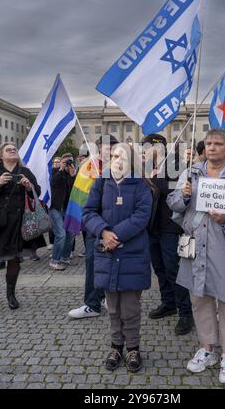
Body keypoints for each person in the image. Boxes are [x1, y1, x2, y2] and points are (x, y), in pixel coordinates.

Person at [167, 129, 225, 384]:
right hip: (195, 248)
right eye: (208, 143)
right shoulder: (190, 173)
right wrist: (184, 196)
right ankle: (207, 348)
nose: (211, 147)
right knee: (200, 300)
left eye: (218, 144)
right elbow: (173, 204)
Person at [83, 143, 152, 372]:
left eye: (122, 156)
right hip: (107, 254)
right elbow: (89, 212)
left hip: (132, 254)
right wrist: (103, 231)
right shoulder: (101, 183)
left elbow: (142, 216)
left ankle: (133, 348)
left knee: (130, 308)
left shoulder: (141, 185)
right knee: (112, 308)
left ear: (131, 160)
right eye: (113, 155)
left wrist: (117, 235)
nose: (116, 160)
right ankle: (116, 346)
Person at [142, 134, 193, 335]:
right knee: (160, 269)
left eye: (146, 148)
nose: (144, 152)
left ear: (158, 147)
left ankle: (185, 312)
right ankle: (168, 303)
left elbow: (174, 192)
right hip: (153, 226)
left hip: (171, 226)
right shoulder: (148, 167)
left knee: (174, 270)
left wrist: (153, 177)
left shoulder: (177, 165)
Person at [0, 142, 41, 312]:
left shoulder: (25, 172)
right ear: (1, 155)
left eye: (14, 149)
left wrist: (29, 187)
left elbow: (37, 191)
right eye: (8, 149)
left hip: (16, 224)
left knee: (14, 260)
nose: (12, 151)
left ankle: (11, 295)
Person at [68, 135, 118, 318]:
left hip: (115, 224)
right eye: (106, 147)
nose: (110, 150)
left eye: (113, 146)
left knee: (112, 262)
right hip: (94, 225)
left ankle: (105, 297)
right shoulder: (89, 166)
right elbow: (80, 194)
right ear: (98, 149)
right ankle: (92, 304)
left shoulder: (123, 166)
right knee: (92, 262)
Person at [49, 153, 76, 270]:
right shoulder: (55, 172)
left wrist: (73, 175)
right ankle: (54, 261)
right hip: (55, 208)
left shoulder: (70, 174)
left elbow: (74, 190)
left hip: (68, 208)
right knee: (61, 235)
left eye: (70, 162)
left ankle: (65, 258)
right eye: (65, 162)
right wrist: (60, 169)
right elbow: (53, 183)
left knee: (70, 235)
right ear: (60, 162)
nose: (67, 164)